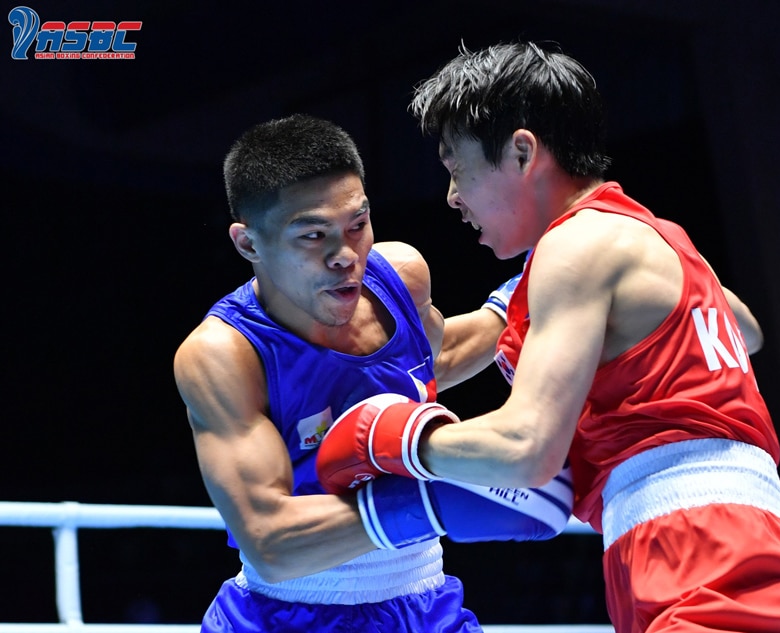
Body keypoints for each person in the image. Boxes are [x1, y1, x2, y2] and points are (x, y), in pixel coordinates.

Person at [317, 42, 780, 631]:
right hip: (708, 544)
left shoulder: (576, 245)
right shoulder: (657, 239)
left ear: (522, 151)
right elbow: (749, 331)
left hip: (701, 553)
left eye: (458, 169)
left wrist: (394, 441)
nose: (452, 196)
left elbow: (527, 449)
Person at [173, 113, 573, 632]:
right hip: (288, 616)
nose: (345, 256)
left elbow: (434, 361)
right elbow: (268, 542)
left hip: (425, 603)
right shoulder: (225, 354)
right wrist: (428, 503)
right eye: (313, 236)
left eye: (357, 224)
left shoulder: (400, 278)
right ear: (249, 245)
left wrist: (529, 295)